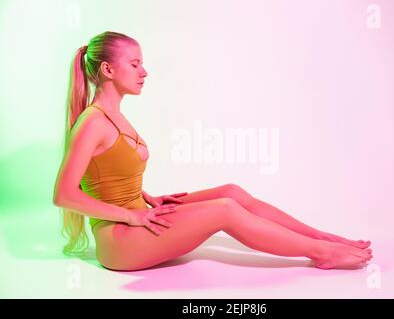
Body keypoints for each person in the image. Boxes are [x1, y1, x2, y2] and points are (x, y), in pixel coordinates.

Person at [52, 31, 372, 271]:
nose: (144, 71)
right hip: (119, 242)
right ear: (108, 70)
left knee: (231, 192)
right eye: (135, 64)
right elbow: (64, 195)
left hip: (141, 214)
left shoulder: (115, 115)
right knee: (224, 210)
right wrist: (131, 214)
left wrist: (146, 197)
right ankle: (321, 253)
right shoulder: (92, 122)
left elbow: (107, 175)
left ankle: (322, 237)